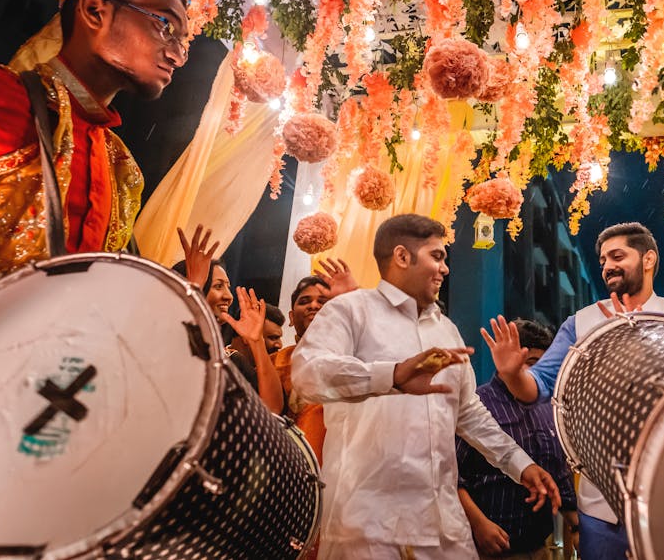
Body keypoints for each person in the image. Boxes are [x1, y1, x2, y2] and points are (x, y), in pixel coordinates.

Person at [0, 0, 191, 317]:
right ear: (95, 11)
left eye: (185, 42)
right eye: (165, 25)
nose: (177, 55)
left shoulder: (123, 171)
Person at [292, 213, 561, 559]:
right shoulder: (350, 311)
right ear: (403, 257)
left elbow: (468, 412)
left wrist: (519, 464)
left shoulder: (446, 330)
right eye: (437, 256)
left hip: (443, 525)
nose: (445, 269)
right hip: (367, 524)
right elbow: (307, 373)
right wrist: (391, 375)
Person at [483, 221, 664, 559]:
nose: (608, 266)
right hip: (601, 508)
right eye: (602, 260)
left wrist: (638, 338)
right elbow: (536, 388)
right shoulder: (581, 323)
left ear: (648, 259)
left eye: (617, 256)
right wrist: (512, 375)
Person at [457, 319, 579, 559]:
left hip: (538, 548)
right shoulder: (476, 406)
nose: (536, 376)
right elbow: (452, 476)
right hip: (487, 549)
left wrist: (576, 525)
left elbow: (558, 474)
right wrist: (479, 524)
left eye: (544, 368)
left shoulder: (548, 408)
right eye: (531, 365)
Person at [173, 226, 283, 414]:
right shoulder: (168, 346)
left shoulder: (232, 361)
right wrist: (193, 288)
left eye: (228, 287)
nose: (228, 296)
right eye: (218, 286)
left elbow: (273, 410)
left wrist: (257, 343)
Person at [275, 275, 333, 462]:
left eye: (322, 301)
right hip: (284, 471)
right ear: (291, 317)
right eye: (304, 301)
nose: (313, 306)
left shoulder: (354, 356)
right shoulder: (275, 361)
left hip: (337, 473)